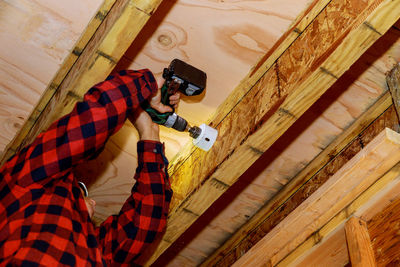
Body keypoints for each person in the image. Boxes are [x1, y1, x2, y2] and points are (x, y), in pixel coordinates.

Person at [0, 69, 179, 266]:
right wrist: (150, 136)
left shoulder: (25, 185)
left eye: (82, 192)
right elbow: (144, 226)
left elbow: (86, 128)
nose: (93, 201)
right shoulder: (96, 252)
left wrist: (149, 83)